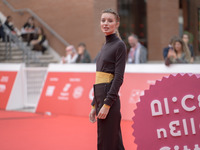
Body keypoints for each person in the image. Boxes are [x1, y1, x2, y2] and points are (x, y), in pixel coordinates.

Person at [89, 8, 126, 150]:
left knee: (109, 143)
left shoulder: (119, 45)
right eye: (103, 20)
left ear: (117, 24)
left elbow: (118, 78)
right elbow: (99, 79)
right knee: (110, 142)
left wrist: (107, 104)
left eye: (110, 21)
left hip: (108, 100)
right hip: (101, 98)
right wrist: (94, 104)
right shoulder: (105, 46)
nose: (105, 23)